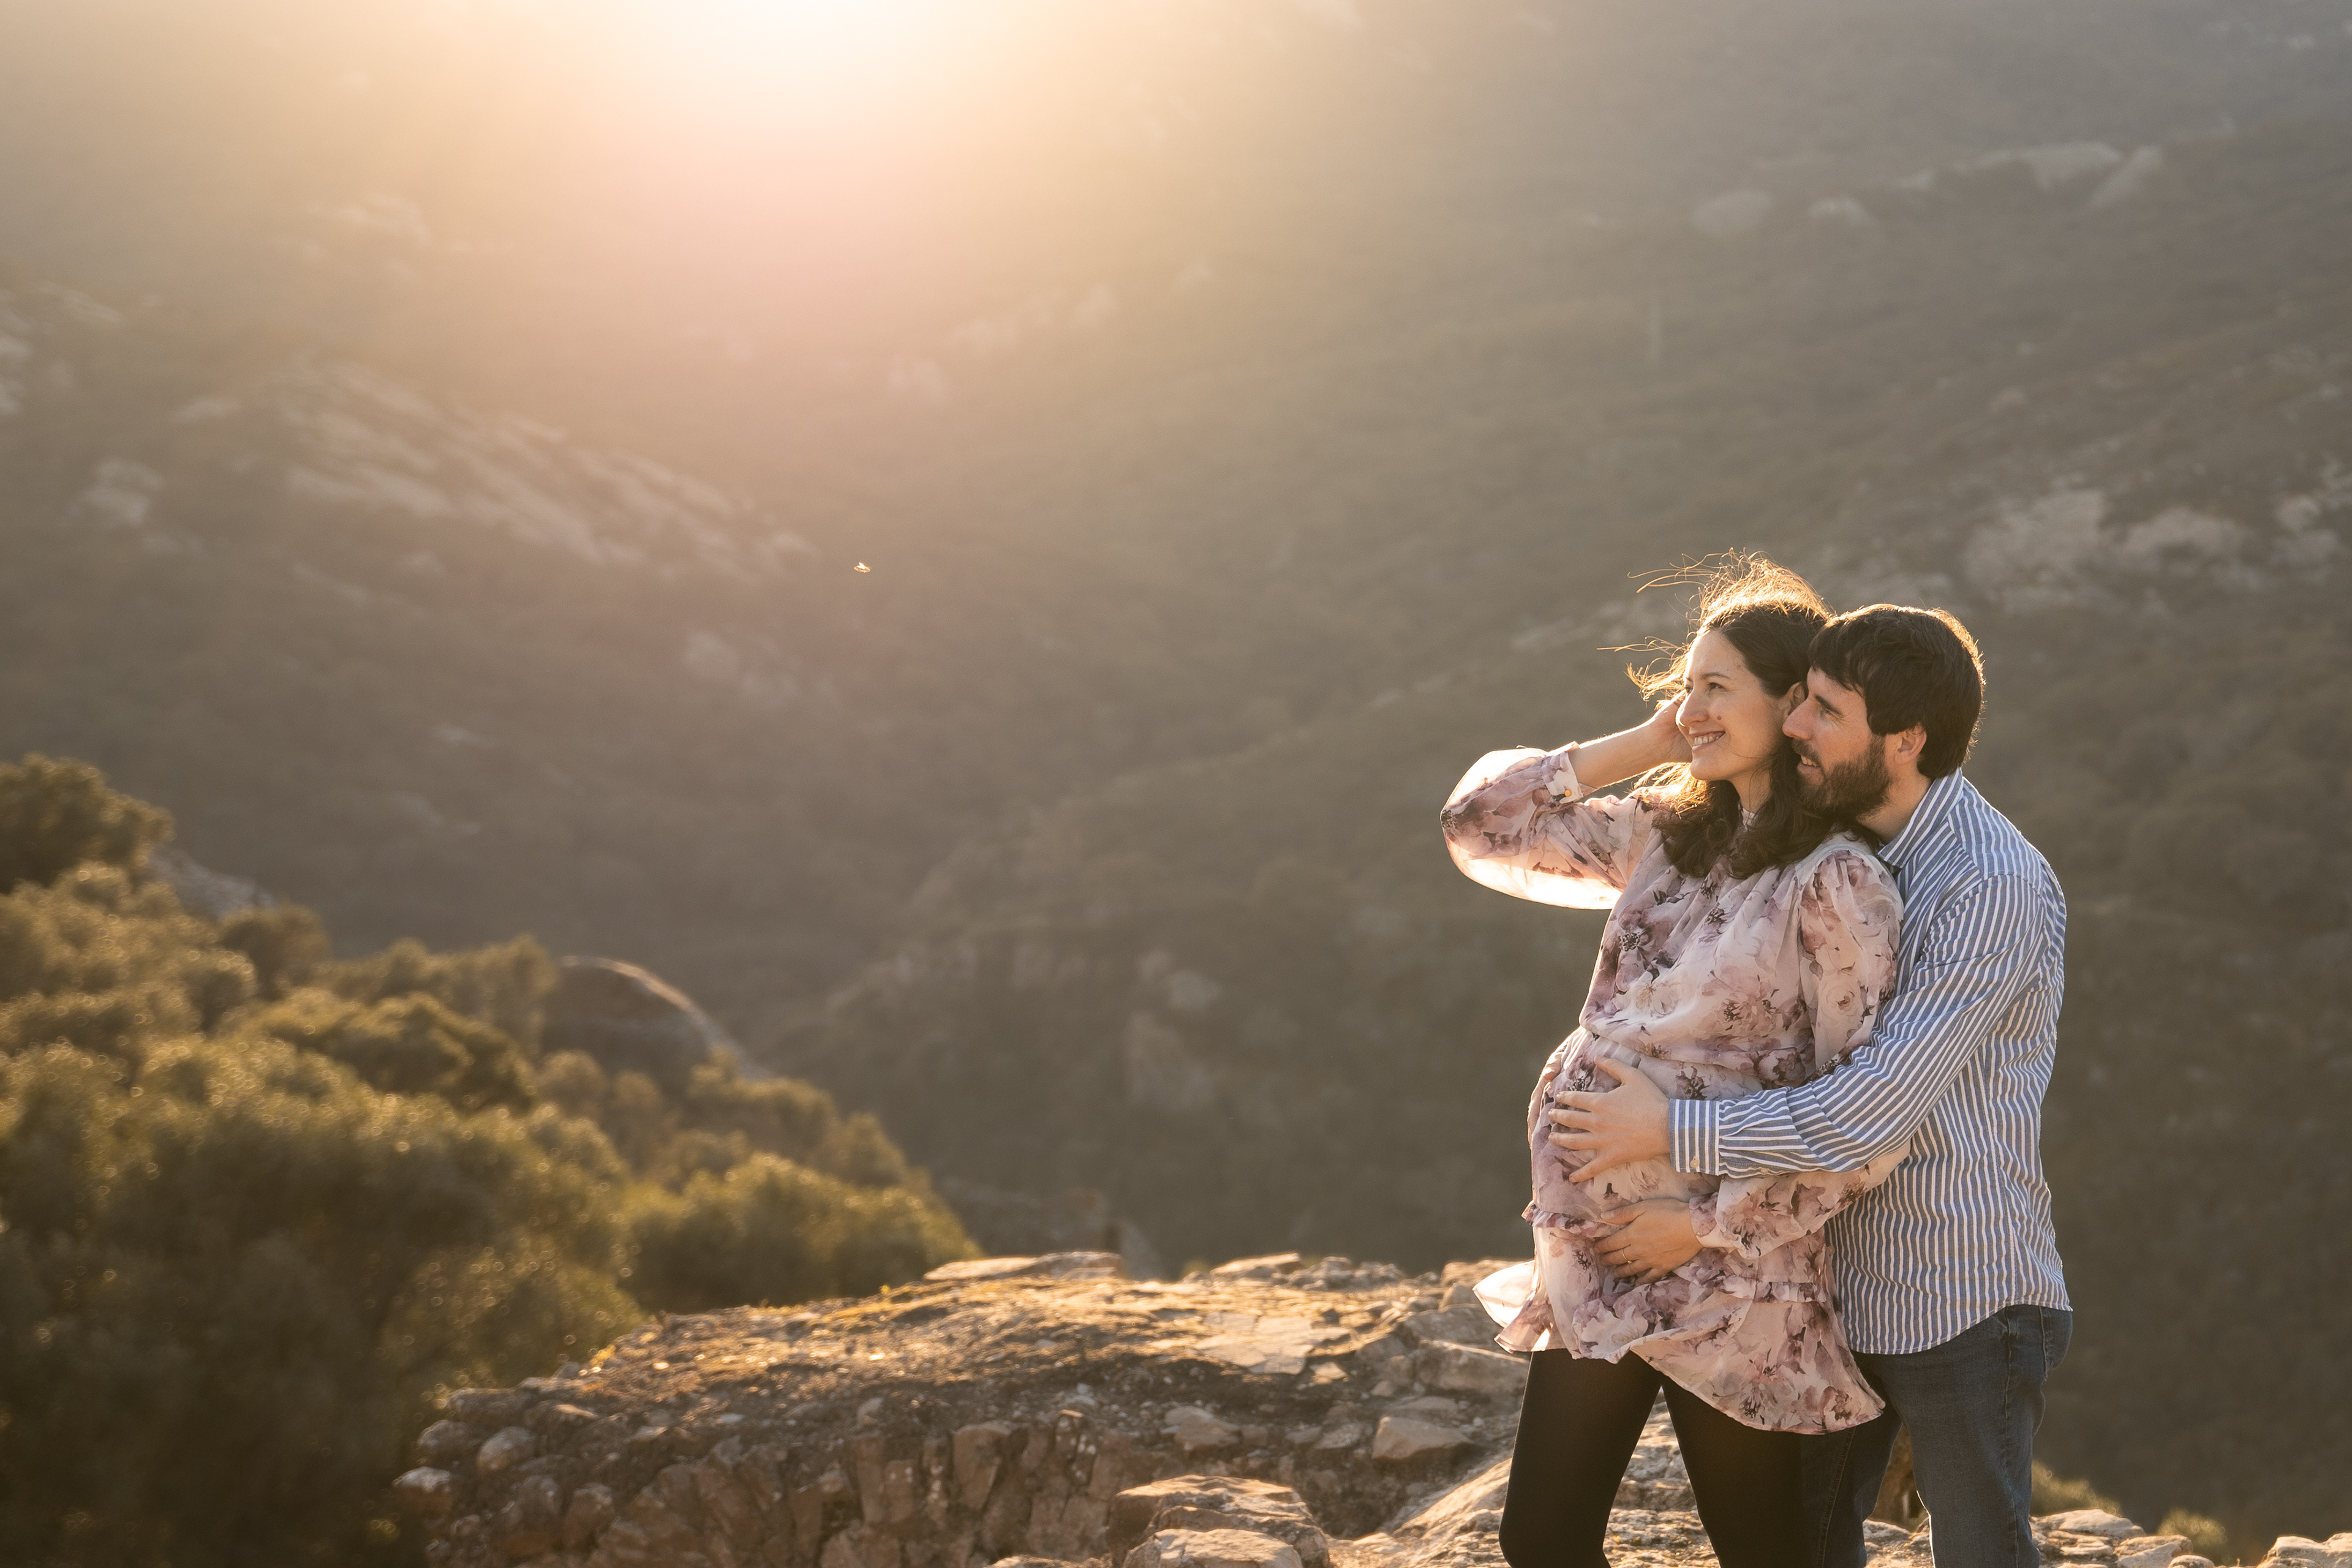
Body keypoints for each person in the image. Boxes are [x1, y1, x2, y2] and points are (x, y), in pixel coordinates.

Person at [1546, 603, 2070, 1568]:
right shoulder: (1835, 840)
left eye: (1823, 712)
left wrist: (1668, 1133)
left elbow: (1869, 1109)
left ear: (1904, 741)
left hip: (1956, 1291)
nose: (1794, 727)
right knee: (1813, 1551)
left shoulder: (1986, 884)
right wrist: (1666, 736)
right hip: (1833, 1281)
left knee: (1981, 1552)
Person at [1439, 560, 1907, 1568]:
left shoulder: (1837, 884)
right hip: (1599, 1254)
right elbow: (1479, 823)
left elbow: (1862, 1117)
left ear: (1793, 705)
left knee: (1760, 1551)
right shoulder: (1664, 835)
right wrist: (1654, 740)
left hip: (1733, 1278)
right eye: (1682, 686)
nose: (1689, 706)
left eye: (1714, 688)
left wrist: (1699, 1227)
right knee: (1543, 1539)